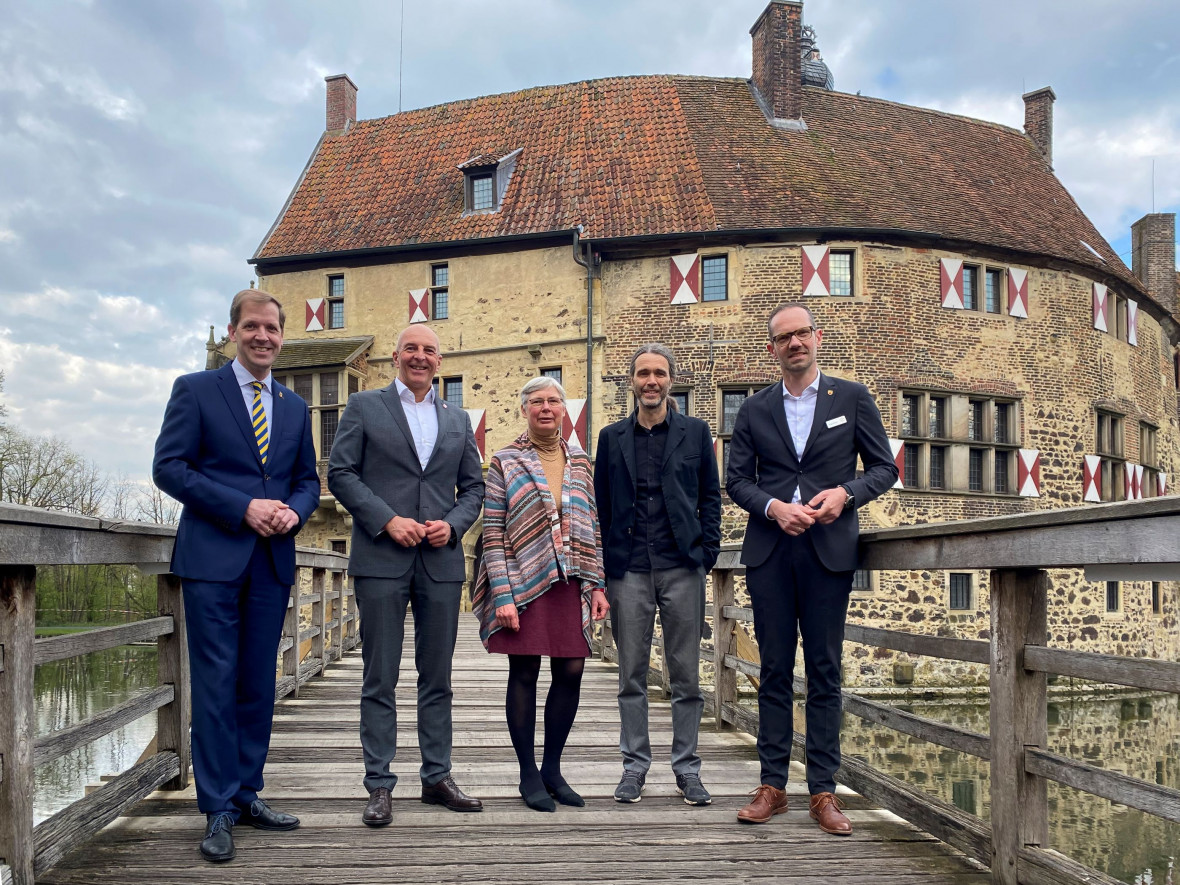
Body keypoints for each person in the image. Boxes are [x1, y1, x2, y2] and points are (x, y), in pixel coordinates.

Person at [153, 289, 320, 863]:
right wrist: (241, 507)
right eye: (252, 327)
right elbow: (169, 468)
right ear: (232, 332)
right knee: (217, 684)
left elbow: (307, 480)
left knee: (257, 682)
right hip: (212, 560)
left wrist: (296, 511)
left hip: (271, 562)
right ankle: (217, 806)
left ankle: (249, 793)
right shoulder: (196, 390)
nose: (263, 337)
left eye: (272, 329)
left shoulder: (295, 407)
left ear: (281, 335)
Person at [726, 303, 897, 836]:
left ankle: (823, 790)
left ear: (817, 338)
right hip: (771, 551)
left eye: (802, 334)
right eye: (784, 338)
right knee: (774, 669)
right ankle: (772, 786)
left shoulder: (851, 397)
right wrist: (774, 508)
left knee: (824, 669)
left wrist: (845, 494)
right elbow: (737, 482)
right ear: (772, 348)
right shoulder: (753, 409)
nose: (794, 343)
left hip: (828, 549)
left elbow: (886, 468)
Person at [327, 324, 485, 826]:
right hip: (381, 557)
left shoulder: (457, 419)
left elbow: (474, 489)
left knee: (437, 678)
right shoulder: (364, 408)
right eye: (411, 348)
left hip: (439, 564)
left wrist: (454, 525)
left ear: (440, 361)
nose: (420, 357)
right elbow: (341, 473)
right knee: (381, 677)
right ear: (395, 357)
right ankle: (379, 784)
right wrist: (386, 519)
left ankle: (437, 776)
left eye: (429, 350)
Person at [472, 377, 610, 812]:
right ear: (524, 409)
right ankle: (527, 773)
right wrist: (504, 593)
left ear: (564, 410)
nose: (546, 407)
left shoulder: (582, 461)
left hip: (573, 581)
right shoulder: (505, 461)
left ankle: (553, 768)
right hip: (523, 580)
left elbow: (594, 524)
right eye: (537, 401)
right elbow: (492, 531)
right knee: (525, 673)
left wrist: (598, 582)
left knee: (571, 672)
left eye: (553, 401)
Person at [593, 343, 721, 805]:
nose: (651, 381)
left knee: (685, 676)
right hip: (628, 570)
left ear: (671, 380)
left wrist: (706, 554)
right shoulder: (611, 438)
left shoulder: (695, 433)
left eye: (659, 373)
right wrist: (606, 568)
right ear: (632, 381)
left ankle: (687, 770)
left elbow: (711, 497)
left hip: (682, 567)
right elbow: (601, 506)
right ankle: (635, 768)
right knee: (631, 675)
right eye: (643, 373)